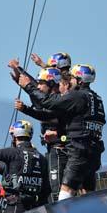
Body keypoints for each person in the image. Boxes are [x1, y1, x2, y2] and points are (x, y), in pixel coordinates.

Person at [11, 61, 105, 200]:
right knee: (88, 195)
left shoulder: (78, 96)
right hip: (94, 152)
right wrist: (26, 109)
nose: (68, 81)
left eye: (71, 78)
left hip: (79, 150)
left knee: (64, 196)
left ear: (78, 80)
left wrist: (28, 86)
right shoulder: (96, 98)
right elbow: (51, 113)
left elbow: (47, 103)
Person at [15, 67, 68, 201]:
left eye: (41, 83)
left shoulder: (57, 100)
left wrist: (58, 135)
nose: (38, 86)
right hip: (54, 149)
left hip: (60, 150)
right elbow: (39, 101)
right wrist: (18, 70)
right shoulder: (51, 98)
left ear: (51, 84)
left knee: (56, 189)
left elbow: (47, 115)